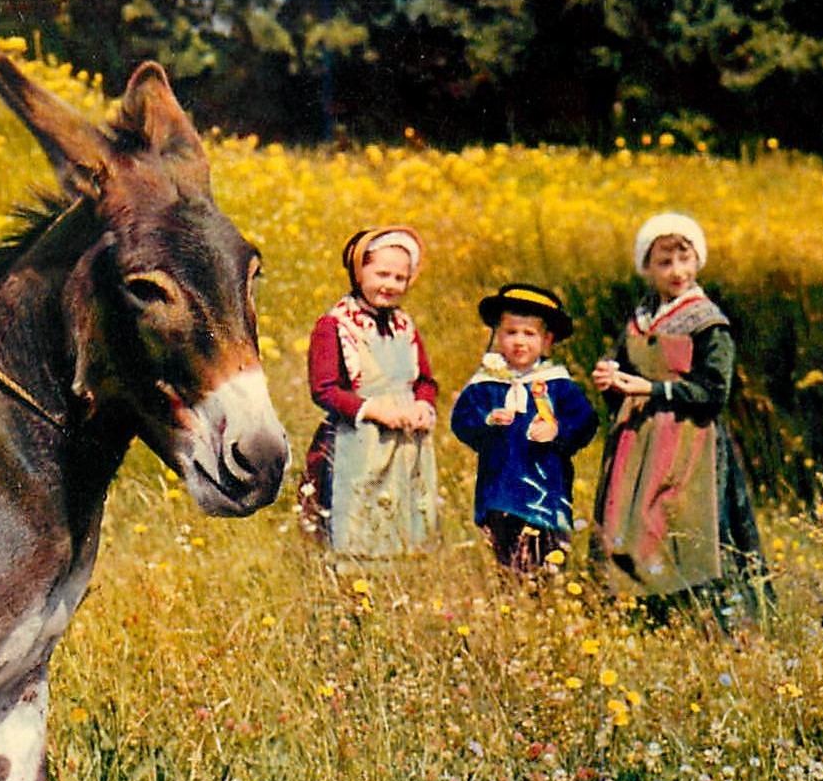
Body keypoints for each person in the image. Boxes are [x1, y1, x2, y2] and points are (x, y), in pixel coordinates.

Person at [589, 213, 768, 625]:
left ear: (697, 261)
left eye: (684, 260)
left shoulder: (707, 322)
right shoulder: (642, 317)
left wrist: (653, 390)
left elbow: (714, 392)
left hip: (689, 441)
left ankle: (705, 616)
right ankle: (640, 612)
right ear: (647, 268)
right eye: (664, 263)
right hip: (638, 443)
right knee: (631, 523)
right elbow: (624, 365)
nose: (676, 272)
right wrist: (610, 377)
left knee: (683, 523)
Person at [300, 226, 439, 557]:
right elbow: (324, 389)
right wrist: (374, 410)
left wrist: (423, 405)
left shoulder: (404, 326)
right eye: (382, 274)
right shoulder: (335, 325)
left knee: (405, 519)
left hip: (405, 441)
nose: (390, 285)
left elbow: (424, 380)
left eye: (400, 278)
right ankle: (352, 578)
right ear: (359, 271)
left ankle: (404, 578)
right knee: (357, 522)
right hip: (357, 438)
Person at [449, 283, 598, 573]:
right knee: (507, 559)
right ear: (497, 334)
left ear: (547, 340)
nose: (519, 342)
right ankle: (511, 596)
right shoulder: (487, 383)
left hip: (547, 489)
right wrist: (488, 421)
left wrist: (557, 431)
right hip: (500, 489)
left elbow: (585, 422)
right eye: (511, 332)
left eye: (529, 334)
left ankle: (547, 596)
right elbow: (462, 420)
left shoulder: (557, 383)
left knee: (548, 558)